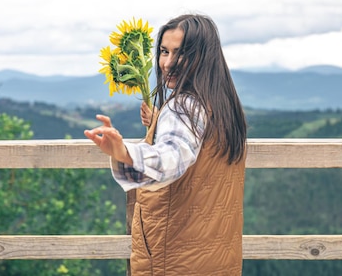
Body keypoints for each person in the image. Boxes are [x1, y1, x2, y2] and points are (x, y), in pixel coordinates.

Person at [84, 14, 247, 275]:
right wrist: (159, 121)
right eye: (163, 51)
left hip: (173, 259)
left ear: (203, 57)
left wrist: (125, 152)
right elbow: (195, 149)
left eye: (180, 54)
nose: (167, 63)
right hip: (217, 257)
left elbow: (172, 157)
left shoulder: (182, 107)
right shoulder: (223, 106)